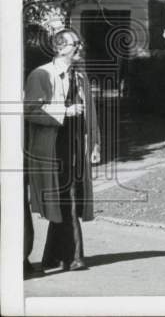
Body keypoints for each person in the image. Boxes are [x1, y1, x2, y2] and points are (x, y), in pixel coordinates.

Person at [24, 28, 101, 272]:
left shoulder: (80, 77)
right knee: (66, 199)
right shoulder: (41, 75)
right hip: (52, 148)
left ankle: (54, 257)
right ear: (59, 48)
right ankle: (73, 257)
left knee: (71, 197)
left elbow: (92, 116)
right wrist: (64, 112)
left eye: (79, 43)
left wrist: (95, 145)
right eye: (74, 44)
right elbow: (30, 111)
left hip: (75, 147)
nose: (79, 47)